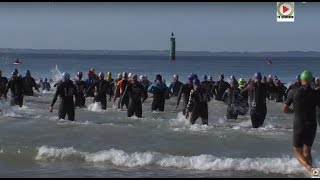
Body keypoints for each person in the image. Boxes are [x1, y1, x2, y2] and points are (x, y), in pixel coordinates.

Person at [283, 70, 320, 172]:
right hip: (312, 125)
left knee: (297, 150)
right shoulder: (316, 93)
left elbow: (285, 109)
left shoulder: (293, 91)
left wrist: (292, 111)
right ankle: (315, 174)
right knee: (307, 151)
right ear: (311, 80)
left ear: (301, 80)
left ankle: (309, 168)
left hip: (299, 124)